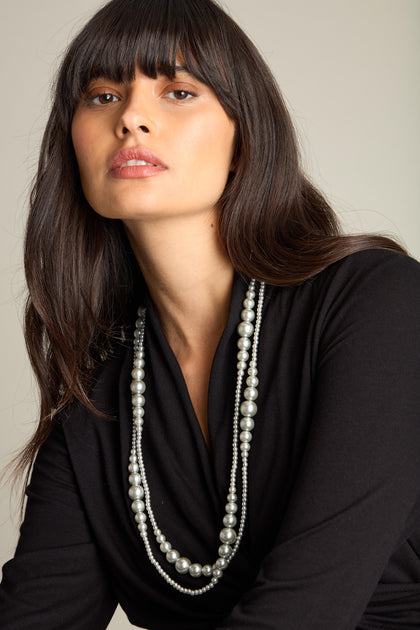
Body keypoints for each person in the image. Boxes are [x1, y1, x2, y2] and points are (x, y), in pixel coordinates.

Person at [1, 0, 420, 627]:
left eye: (177, 91)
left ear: (243, 138)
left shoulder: (377, 304)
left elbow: (304, 613)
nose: (133, 118)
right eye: (102, 96)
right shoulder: (95, 417)